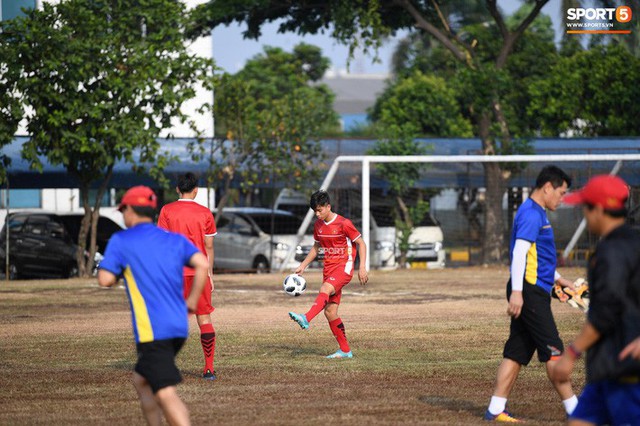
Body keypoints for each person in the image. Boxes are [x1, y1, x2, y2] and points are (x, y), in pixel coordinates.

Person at [98, 186, 209, 426]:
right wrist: (191, 301)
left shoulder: (122, 240)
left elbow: (105, 279)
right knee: (141, 380)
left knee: (164, 392)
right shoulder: (172, 239)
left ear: (129, 210)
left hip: (154, 330)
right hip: (179, 325)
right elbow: (201, 262)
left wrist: (111, 266)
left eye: (122, 211)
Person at [485, 165, 579, 422]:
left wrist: (559, 279)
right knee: (553, 351)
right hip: (529, 292)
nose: (562, 198)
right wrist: (518, 293)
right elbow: (518, 254)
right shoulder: (531, 214)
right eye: (561, 192)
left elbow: (538, 257)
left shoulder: (538, 212)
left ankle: (495, 409)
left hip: (531, 289)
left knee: (516, 351)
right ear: (547, 187)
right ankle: (578, 412)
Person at [552, 174, 640, 426]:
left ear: (599, 209)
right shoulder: (630, 243)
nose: (584, 215)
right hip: (604, 371)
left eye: (585, 208)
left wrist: (570, 354)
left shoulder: (610, 252)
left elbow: (606, 312)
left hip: (626, 370)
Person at [288, 189, 369, 359]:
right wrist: (303, 265)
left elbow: (361, 243)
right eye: (315, 211)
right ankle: (345, 350)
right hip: (329, 268)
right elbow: (317, 247)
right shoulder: (318, 226)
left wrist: (362, 267)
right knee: (330, 312)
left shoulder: (344, 223)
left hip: (344, 266)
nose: (317, 214)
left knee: (325, 288)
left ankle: (306, 317)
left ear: (328, 206)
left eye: (320, 210)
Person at [158, 173, 218, 380]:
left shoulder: (167, 210)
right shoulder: (205, 213)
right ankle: (208, 369)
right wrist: (210, 273)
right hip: (199, 273)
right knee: (204, 318)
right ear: (196, 190)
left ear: (177, 189)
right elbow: (209, 246)